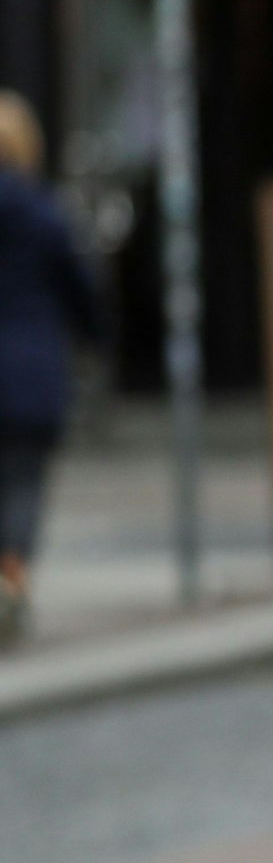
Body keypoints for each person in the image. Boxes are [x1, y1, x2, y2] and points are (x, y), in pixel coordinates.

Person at [0, 91, 97, 645]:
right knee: (23, 485)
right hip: (32, 374)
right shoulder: (43, 213)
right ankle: (13, 576)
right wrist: (94, 337)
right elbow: (78, 289)